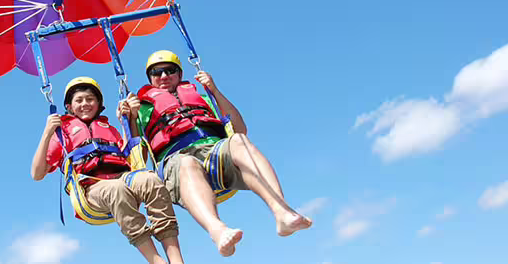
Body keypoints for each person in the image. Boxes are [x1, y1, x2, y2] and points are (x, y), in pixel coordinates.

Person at [126, 51, 312, 257]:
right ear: (150, 79)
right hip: (177, 161)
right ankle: (217, 230)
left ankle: (282, 212)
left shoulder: (203, 97)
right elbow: (138, 162)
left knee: (239, 140)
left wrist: (214, 90)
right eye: (156, 73)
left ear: (179, 74)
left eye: (169, 70)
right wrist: (131, 120)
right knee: (186, 162)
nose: (163, 76)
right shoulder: (141, 110)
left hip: (215, 153)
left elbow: (240, 128)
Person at [31, 76, 186, 264]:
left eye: (90, 99)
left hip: (124, 178)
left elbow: (136, 160)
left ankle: (176, 259)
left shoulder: (109, 129)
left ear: (98, 104)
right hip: (91, 188)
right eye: (79, 100)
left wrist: (130, 120)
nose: (85, 104)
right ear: (70, 107)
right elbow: (37, 174)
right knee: (116, 190)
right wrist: (47, 132)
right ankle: (156, 261)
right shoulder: (62, 133)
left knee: (150, 179)